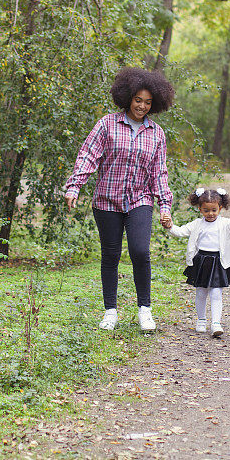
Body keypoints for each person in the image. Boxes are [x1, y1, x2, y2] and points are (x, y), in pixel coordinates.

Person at [64, 67, 175, 331]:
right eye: (138, 100)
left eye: (148, 102)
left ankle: (144, 310)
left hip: (140, 200)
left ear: (155, 103)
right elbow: (88, 156)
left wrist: (165, 205)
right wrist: (74, 186)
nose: (142, 106)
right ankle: (110, 311)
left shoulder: (156, 133)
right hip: (107, 200)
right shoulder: (107, 124)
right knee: (110, 255)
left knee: (140, 251)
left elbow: (159, 172)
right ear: (128, 98)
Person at [162, 188, 230, 337]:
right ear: (200, 209)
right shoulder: (197, 224)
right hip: (201, 261)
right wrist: (170, 226)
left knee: (216, 293)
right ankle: (201, 320)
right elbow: (181, 231)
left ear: (220, 208)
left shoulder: (225, 223)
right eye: (206, 210)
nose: (210, 214)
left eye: (214, 210)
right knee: (201, 292)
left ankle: (216, 323)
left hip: (218, 262)